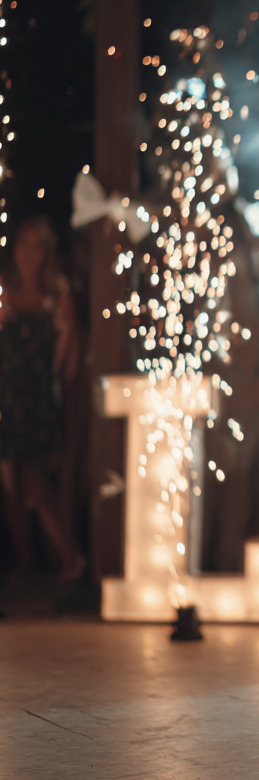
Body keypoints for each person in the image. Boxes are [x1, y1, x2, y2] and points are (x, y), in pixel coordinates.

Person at [0, 216, 85, 585]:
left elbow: (68, 359)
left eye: (36, 246)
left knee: (34, 483)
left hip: (37, 402)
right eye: (23, 243)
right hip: (6, 399)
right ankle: (26, 561)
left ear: (46, 252)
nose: (27, 254)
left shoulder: (57, 296)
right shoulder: (3, 291)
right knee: (11, 485)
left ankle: (72, 558)